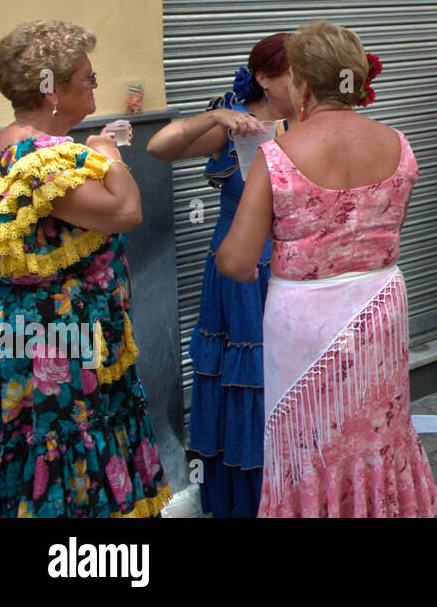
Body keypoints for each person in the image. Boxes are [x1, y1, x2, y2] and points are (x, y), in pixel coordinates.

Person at [216, 21, 437, 517]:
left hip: (305, 320)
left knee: (309, 444)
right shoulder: (399, 145)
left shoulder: (277, 155)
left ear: (304, 86)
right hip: (380, 309)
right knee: (377, 431)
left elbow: (236, 261)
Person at [0, 20, 170, 517]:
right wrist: (110, 155)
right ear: (53, 89)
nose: (95, 86)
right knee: (68, 451)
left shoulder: (12, 142)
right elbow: (126, 212)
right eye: (88, 78)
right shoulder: (44, 158)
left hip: (47, 338)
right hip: (63, 349)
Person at [146, 33, 294, 517]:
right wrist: (213, 116)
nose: (307, 81)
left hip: (295, 261)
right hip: (238, 265)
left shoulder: (316, 118)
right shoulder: (235, 121)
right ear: (265, 78)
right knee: (244, 375)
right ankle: (239, 494)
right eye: (296, 71)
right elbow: (158, 147)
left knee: (290, 372)